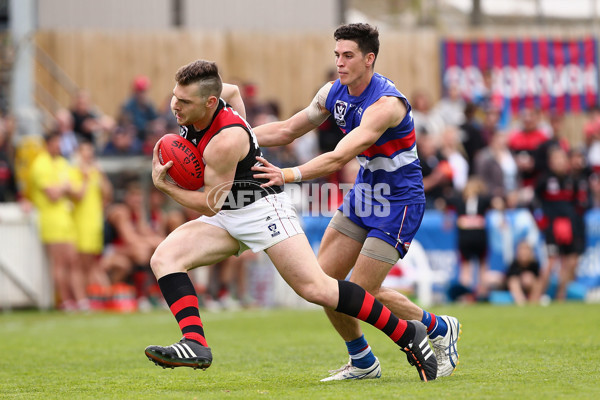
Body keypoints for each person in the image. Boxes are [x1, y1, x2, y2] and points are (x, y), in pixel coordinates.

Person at [145, 59, 438, 382]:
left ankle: (408, 335)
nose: (175, 106)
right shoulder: (204, 102)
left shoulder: (226, 140)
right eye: (175, 97)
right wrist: (196, 89)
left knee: (318, 288)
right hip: (231, 210)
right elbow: (231, 89)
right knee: (165, 258)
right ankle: (195, 343)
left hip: (262, 211)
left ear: (210, 103)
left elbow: (209, 204)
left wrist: (165, 186)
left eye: (184, 101)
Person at [251, 23, 459, 381]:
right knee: (323, 284)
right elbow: (287, 129)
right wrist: (234, 139)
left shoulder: (386, 105)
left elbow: (336, 158)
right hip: (365, 194)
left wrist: (286, 174)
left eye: (348, 56)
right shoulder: (333, 92)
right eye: (337, 55)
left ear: (369, 59)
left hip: (399, 201)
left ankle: (438, 327)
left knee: (361, 293)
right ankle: (362, 361)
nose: (340, 63)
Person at [28, 130, 86, 310]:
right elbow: (52, 194)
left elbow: (76, 192)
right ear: (48, 144)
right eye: (56, 142)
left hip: (67, 218)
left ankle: (80, 300)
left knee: (73, 260)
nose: (59, 146)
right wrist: (65, 187)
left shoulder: (62, 163)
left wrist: (73, 185)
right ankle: (65, 300)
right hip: (51, 220)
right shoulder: (40, 164)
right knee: (60, 262)